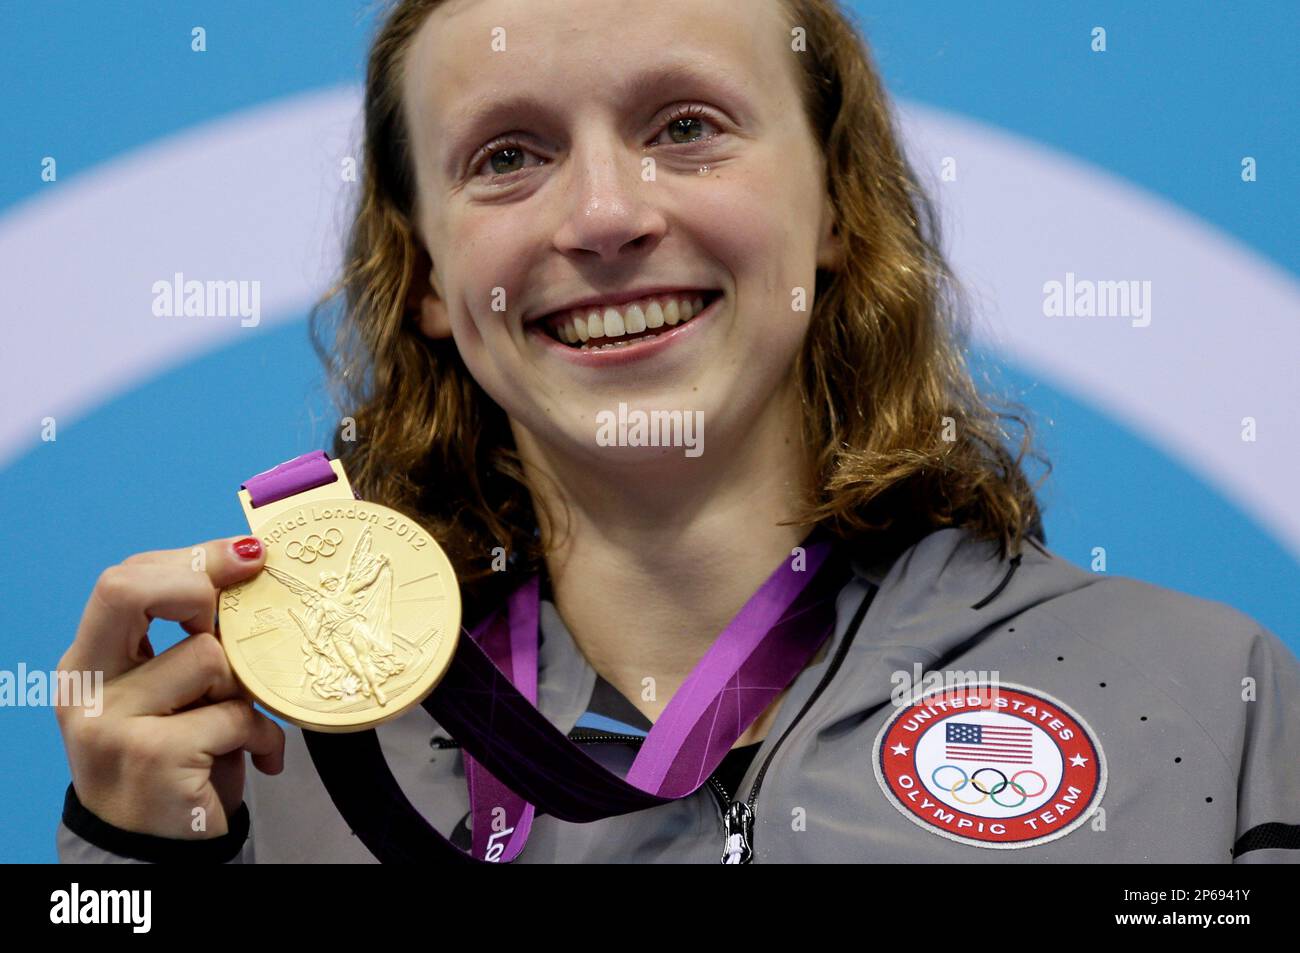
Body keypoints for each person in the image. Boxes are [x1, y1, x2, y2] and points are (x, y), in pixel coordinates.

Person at [53, 0, 1300, 863]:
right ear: (425, 270)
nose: (602, 215)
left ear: (834, 207)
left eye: (685, 127)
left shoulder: (1205, 699)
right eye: (507, 154)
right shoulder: (279, 764)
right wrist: (121, 871)